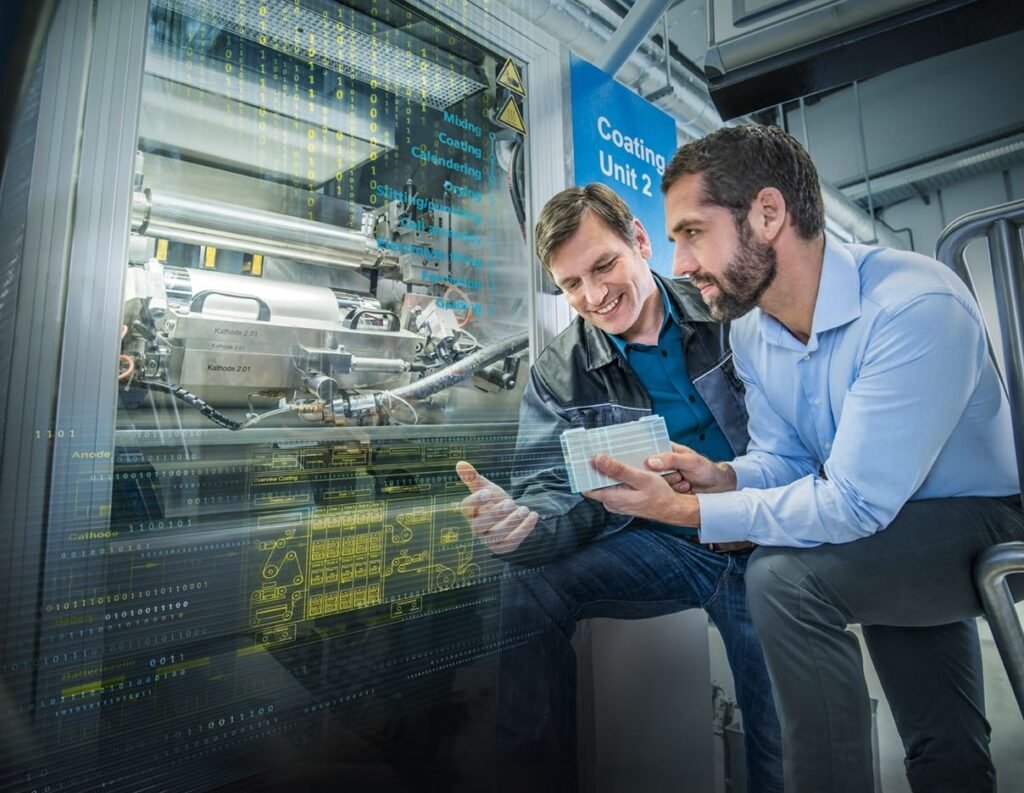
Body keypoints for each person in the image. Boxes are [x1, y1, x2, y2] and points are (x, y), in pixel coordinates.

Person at [585, 124, 1024, 793]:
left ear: (767, 214)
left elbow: (852, 502)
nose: (678, 262)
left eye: (692, 232)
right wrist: (725, 475)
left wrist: (692, 507)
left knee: (786, 578)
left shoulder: (912, 306)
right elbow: (787, 456)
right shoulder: (755, 330)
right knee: (946, 745)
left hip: (975, 519)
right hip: (890, 525)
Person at [455, 183, 783, 792]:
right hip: (669, 545)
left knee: (779, 733)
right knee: (529, 583)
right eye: (571, 285)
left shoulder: (726, 310)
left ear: (638, 239)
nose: (595, 295)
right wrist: (522, 521)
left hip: (764, 534)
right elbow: (551, 487)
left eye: (603, 265)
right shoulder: (559, 370)